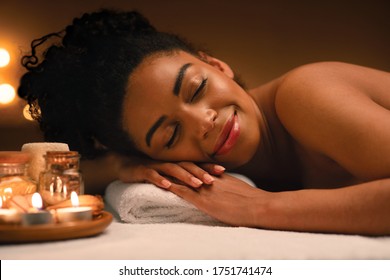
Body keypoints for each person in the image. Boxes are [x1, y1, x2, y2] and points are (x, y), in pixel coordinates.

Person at [18, 9, 390, 235]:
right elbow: (83, 175)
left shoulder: (307, 94)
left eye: (196, 89)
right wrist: (124, 164)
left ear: (216, 65)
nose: (204, 122)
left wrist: (261, 209)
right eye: (170, 133)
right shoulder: (185, 166)